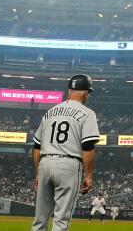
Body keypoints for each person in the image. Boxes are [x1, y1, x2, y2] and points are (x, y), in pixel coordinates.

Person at [30, 74, 101, 231]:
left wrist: (38, 173)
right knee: (61, 220)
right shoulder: (87, 113)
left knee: (39, 219)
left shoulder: (50, 112)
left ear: (70, 90)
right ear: (86, 92)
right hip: (68, 164)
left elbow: (36, 146)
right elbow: (88, 146)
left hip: (45, 163)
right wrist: (88, 175)